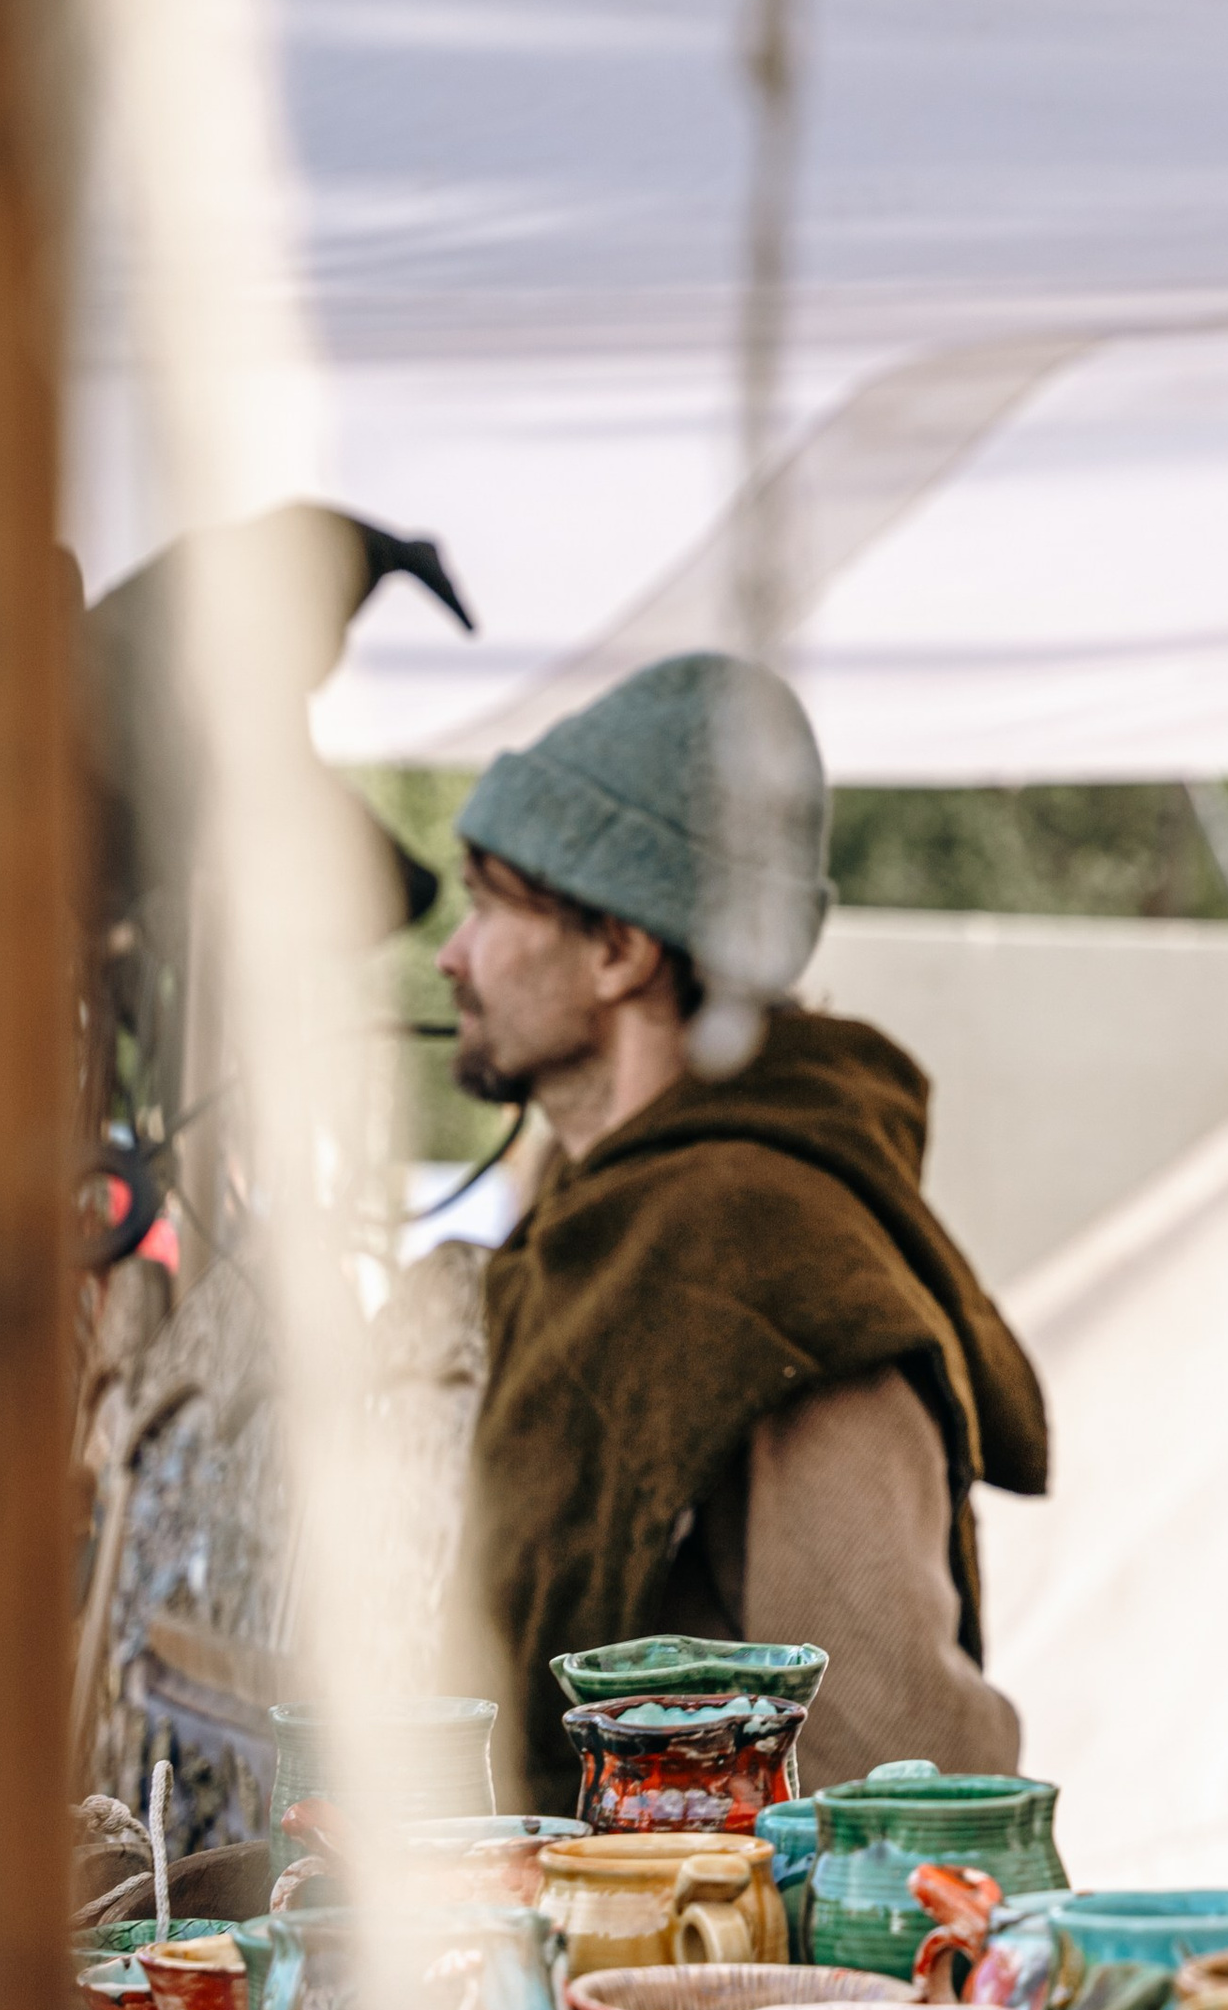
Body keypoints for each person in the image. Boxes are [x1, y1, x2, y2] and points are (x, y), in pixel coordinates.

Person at [442, 651, 1042, 1814]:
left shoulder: (767, 1251)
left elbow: (888, 1749)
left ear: (620, 950)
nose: (450, 954)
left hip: (706, 1927)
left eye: (490, 903)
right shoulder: (592, 1220)